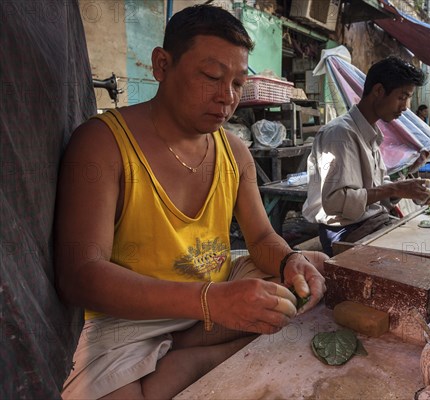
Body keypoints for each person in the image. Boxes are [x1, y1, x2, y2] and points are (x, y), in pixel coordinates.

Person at [55, 5, 327, 399]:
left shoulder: (234, 151)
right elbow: (81, 274)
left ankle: (191, 357)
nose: (227, 97)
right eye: (212, 77)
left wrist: (289, 261)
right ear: (162, 65)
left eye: (237, 83)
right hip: (131, 318)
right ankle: (200, 357)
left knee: (308, 275)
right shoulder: (102, 144)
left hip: (212, 302)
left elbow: (262, 238)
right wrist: (209, 301)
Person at [302, 57, 430, 256]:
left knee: (428, 238)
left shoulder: (369, 133)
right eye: (402, 97)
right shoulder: (340, 134)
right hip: (344, 230)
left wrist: (413, 189)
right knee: (420, 253)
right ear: (378, 91)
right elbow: (335, 201)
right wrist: (395, 188)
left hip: (370, 221)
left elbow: (379, 189)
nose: (406, 106)